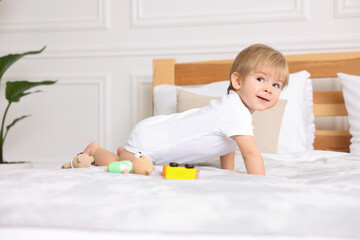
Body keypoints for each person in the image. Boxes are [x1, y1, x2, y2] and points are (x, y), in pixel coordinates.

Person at [83, 44, 289, 176]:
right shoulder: (237, 112)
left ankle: (128, 151)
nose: (268, 89)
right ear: (237, 80)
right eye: (261, 79)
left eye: (276, 85)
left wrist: (228, 174)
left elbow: (226, 145)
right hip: (151, 138)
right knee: (124, 166)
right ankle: (96, 150)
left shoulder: (232, 108)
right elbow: (251, 154)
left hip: (156, 131)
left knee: (136, 162)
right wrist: (263, 186)